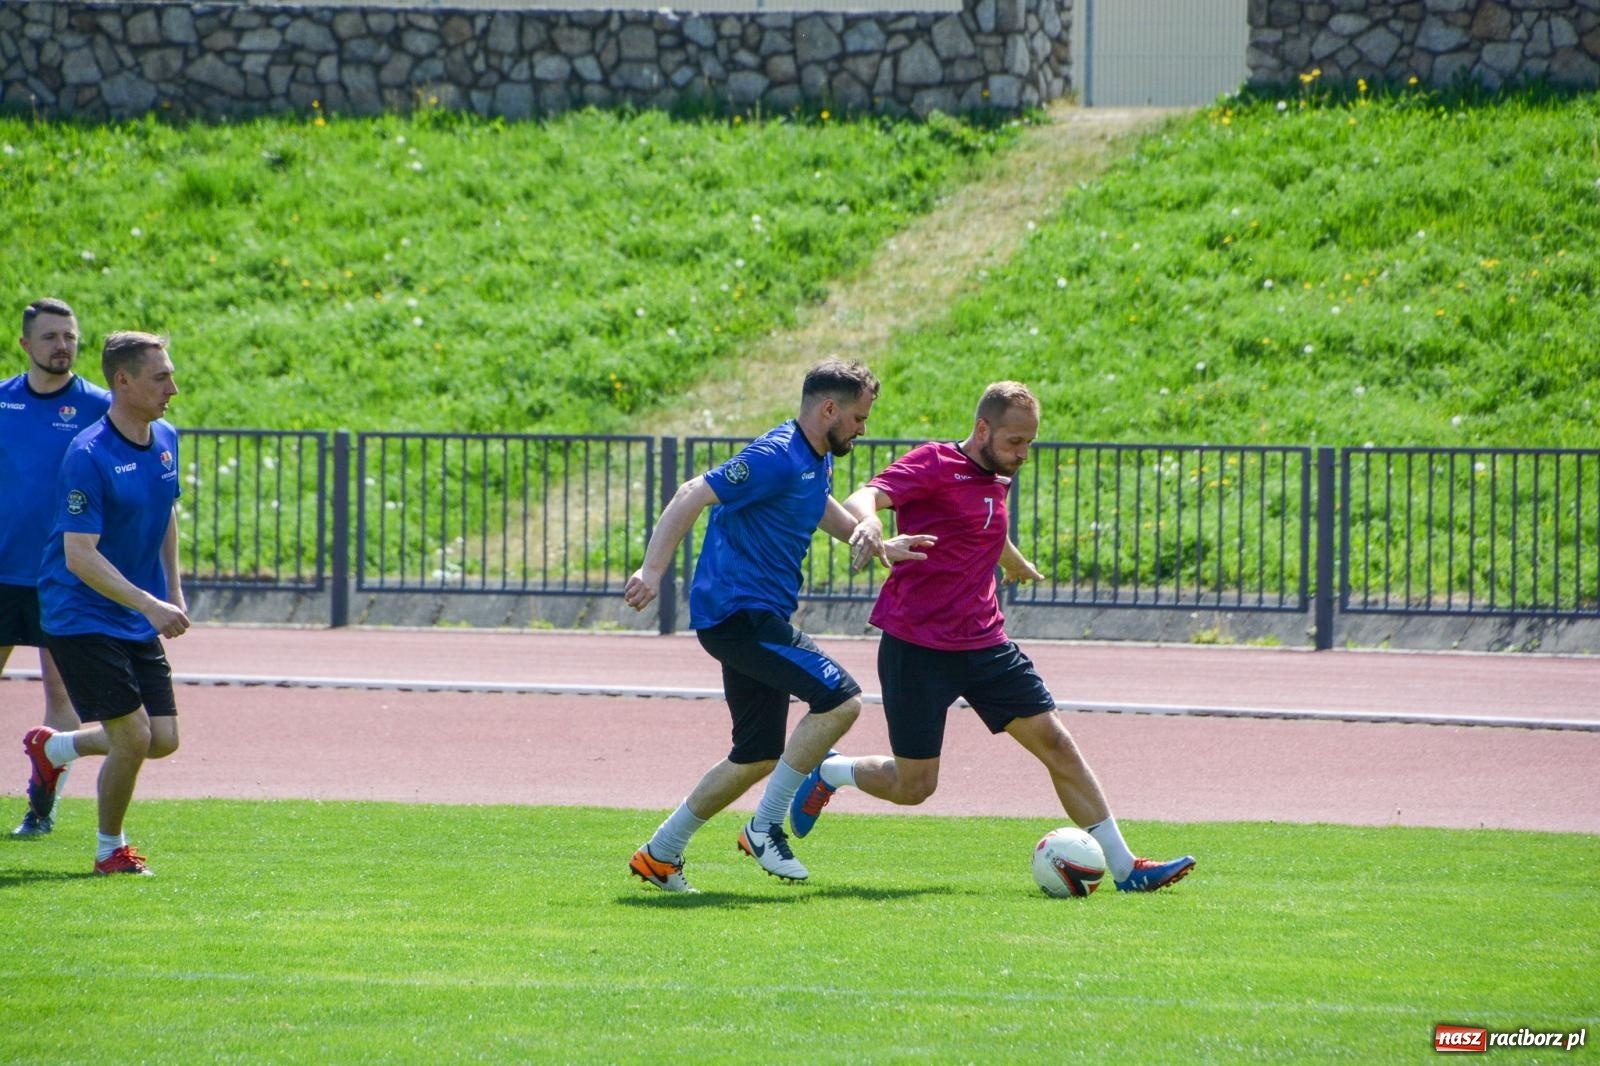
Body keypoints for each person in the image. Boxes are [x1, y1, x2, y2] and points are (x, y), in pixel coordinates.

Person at [789, 381, 1195, 892]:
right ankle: (833, 773)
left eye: (1029, 443)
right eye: (1014, 442)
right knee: (915, 787)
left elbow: (981, 523)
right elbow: (864, 494)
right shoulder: (934, 463)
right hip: (917, 647)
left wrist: (1013, 559)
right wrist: (868, 524)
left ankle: (1125, 868)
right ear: (982, 429)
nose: (1023, 454)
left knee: (1056, 743)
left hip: (984, 643)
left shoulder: (996, 473)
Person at [622, 359, 932, 893]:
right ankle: (764, 827)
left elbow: (817, 506)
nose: (863, 428)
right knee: (842, 699)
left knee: (756, 755)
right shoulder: (775, 456)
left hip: (752, 616)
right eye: (858, 417)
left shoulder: (815, 456)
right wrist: (651, 570)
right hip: (738, 614)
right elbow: (691, 492)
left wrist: (878, 541)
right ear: (828, 408)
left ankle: (660, 854)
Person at [25, 331, 188, 876]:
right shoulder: (88, 455)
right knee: (134, 735)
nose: (173, 387)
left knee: (161, 739)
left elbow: (166, 511)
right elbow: (79, 557)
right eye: (160, 377)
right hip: (81, 612)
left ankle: (56, 750)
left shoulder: (165, 436)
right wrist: (149, 604)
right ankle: (108, 850)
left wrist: (173, 590)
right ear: (123, 381)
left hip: (134, 609)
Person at [2, 298, 112, 837]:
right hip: (2, 575)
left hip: (61, 577)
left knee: (63, 699)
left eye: (68, 336)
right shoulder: (2, 402)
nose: (61, 346)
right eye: (49, 337)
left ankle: (41, 809)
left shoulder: (99, 406)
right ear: (25, 344)